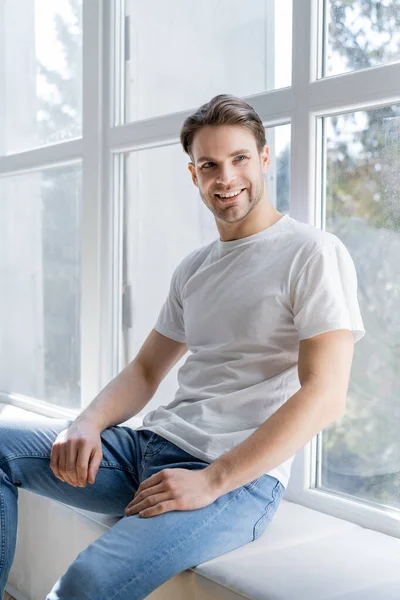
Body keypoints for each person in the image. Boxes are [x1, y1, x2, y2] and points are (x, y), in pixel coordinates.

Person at [0, 94, 365, 600]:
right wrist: (84, 422)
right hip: (150, 451)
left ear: (264, 158)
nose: (226, 178)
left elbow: (326, 394)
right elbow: (147, 370)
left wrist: (212, 481)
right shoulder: (194, 268)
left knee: (84, 583)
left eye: (239, 159)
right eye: (209, 165)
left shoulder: (313, 253)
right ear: (194, 175)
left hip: (234, 481)